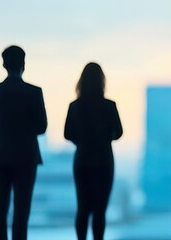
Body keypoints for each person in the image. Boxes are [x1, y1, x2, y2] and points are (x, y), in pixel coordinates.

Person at [0, 45, 47, 240]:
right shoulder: (34, 92)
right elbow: (42, 127)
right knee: (21, 214)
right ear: (24, 65)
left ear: (4, 64)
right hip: (26, 158)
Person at [64, 62, 123, 240]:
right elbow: (119, 132)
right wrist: (104, 138)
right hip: (104, 161)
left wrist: (82, 141)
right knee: (100, 211)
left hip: (82, 160)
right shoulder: (109, 106)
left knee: (82, 208)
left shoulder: (75, 106)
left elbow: (67, 134)